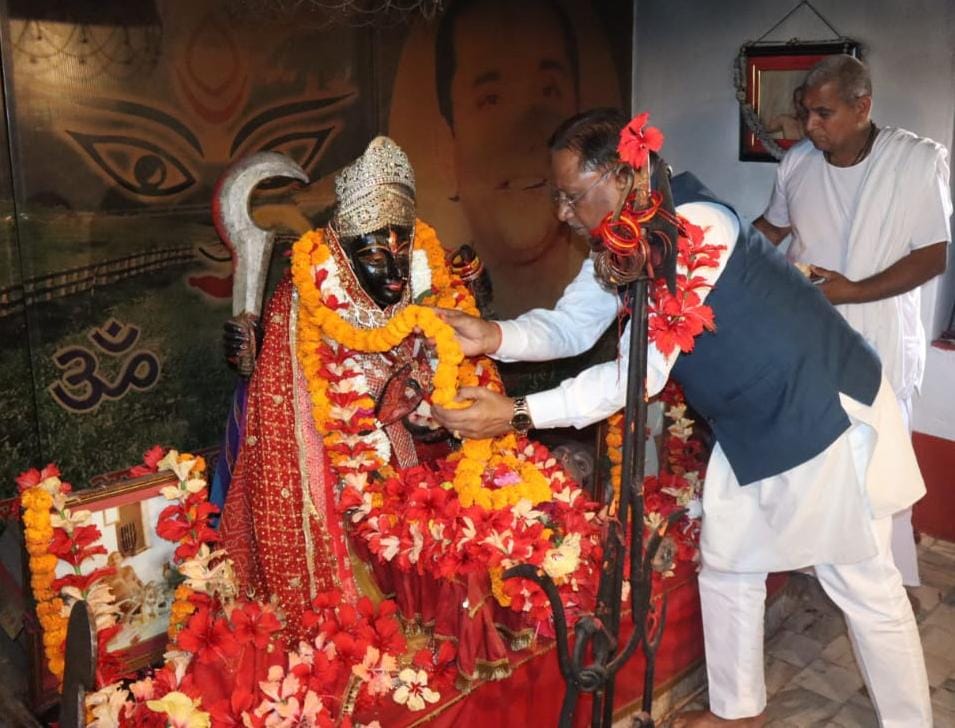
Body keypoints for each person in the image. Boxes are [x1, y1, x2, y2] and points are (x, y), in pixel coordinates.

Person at [432, 108, 932, 726]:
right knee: (729, 564)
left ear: (619, 176)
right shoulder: (619, 240)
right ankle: (737, 712)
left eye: (570, 196)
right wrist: (492, 335)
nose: (561, 213)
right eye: (557, 198)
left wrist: (518, 412)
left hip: (818, 407)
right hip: (753, 420)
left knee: (862, 583)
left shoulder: (695, 230)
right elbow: (570, 325)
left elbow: (635, 373)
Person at [219, 137, 451, 637]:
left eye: (401, 251)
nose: (392, 272)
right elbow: (282, 414)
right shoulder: (302, 300)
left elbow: (444, 369)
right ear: (341, 254)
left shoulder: (424, 282)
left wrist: (427, 405)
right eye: (372, 254)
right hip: (333, 483)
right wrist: (249, 357)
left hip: (416, 478)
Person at [754, 54, 951, 588]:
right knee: (815, 459)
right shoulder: (798, 163)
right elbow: (772, 230)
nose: (810, 126)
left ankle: (886, 586)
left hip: (880, 335)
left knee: (881, 470)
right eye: (805, 113)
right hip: (810, 337)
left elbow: (934, 255)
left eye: (823, 113)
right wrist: (715, 245)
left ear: (862, 106)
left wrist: (855, 291)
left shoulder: (916, 161)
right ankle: (816, 564)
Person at [434, 0, 587, 317]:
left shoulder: (607, 283)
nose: (526, 133)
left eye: (548, 91)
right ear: (448, 150)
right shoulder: (430, 305)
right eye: (491, 99)